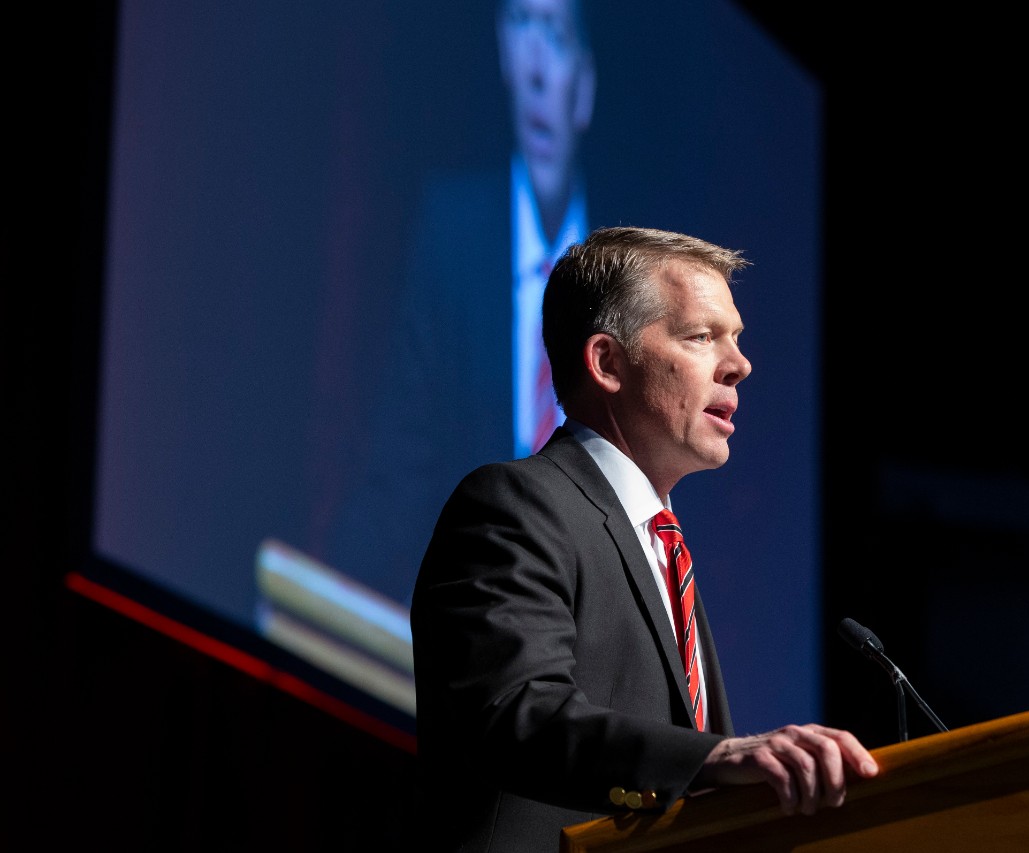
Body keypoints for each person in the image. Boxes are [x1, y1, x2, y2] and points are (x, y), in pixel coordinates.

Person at [411, 226, 880, 851]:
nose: (739, 365)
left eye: (735, 339)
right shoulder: (518, 505)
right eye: (702, 336)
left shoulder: (663, 547)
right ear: (606, 362)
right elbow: (515, 713)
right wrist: (715, 757)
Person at [318, 0, 599, 605]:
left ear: (586, 86)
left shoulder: (633, 277)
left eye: (554, 34)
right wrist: (324, 598)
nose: (536, 69)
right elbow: (400, 466)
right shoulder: (453, 234)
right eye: (521, 27)